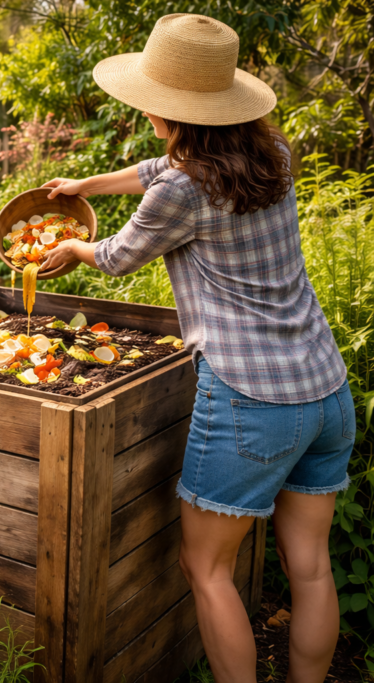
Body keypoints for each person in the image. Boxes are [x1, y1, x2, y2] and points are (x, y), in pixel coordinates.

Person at [39, 13, 354, 683]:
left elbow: (118, 256)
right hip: (326, 390)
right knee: (312, 565)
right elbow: (164, 167)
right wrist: (84, 187)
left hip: (251, 400)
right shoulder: (274, 153)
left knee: (205, 568)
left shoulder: (179, 193)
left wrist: (71, 244)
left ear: (167, 104)